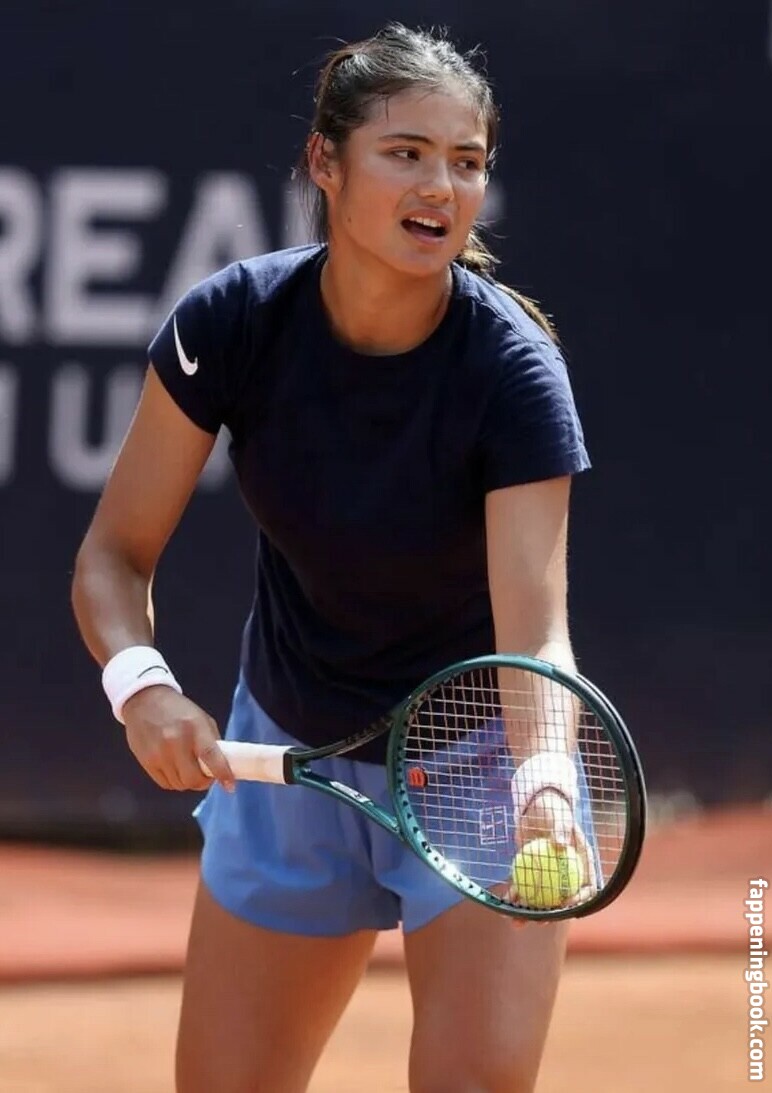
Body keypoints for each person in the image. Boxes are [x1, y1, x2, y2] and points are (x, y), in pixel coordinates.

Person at [71, 22, 591, 1093]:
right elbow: (112, 556)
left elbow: (534, 634)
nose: (440, 186)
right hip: (289, 744)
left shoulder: (512, 371)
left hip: (480, 767)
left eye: (466, 161)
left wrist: (542, 779)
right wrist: (143, 689)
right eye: (406, 152)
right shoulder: (234, 323)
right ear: (325, 161)